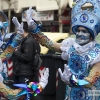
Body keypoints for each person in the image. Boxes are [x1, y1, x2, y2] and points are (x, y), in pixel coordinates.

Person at [24, 1, 100, 99]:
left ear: (91, 36)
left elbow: (91, 80)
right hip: (70, 95)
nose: (79, 34)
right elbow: (49, 44)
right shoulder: (71, 46)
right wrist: (33, 27)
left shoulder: (97, 53)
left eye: (84, 31)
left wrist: (72, 80)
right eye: (78, 30)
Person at [0, 16, 49, 100]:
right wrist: (40, 86)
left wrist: (19, 36)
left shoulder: (29, 41)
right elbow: (12, 95)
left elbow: (6, 54)